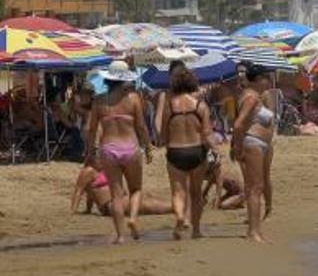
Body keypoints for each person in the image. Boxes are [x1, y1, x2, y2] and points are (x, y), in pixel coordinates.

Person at [85, 60, 153, 244]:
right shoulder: (133, 99)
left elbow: (91, 130)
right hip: (130, 147)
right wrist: (148, 147)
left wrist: (89, 151)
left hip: (108, 148)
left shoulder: (99, 101)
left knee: (116, 195)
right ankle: (132, 218)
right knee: (136, 189)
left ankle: (121, 235)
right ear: (125, 80)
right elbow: (141, 127)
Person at [162, 68, 218, 240]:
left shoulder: (170, 105)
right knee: (196, 193)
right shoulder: (200, 106)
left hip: (176, 151)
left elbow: (164, 133)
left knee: (178, 192)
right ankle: (196, 230)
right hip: (196, 151)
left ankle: (180, 216)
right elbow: (207, 133)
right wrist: (215, 150)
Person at [231, 64, 276, 243]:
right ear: (258, 79)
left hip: (258, 143)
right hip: (253, 143)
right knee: (255, 188)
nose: (268, 81)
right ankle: (253, 232)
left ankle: (256, 229)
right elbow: (238, 124)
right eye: (266, 78)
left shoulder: (252, 95)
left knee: (254, 187)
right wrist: (238, 147)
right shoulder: (251, 97)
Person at [71, 161, 173, 216]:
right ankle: (176, 208)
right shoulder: (88, 171)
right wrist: (73, 212)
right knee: (145, 204)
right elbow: (79, 191)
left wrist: (88, 210)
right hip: (110, 204)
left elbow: (91, 193)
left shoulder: (106, 168)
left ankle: (177, 205)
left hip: (121, 199)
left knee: (147, 196)